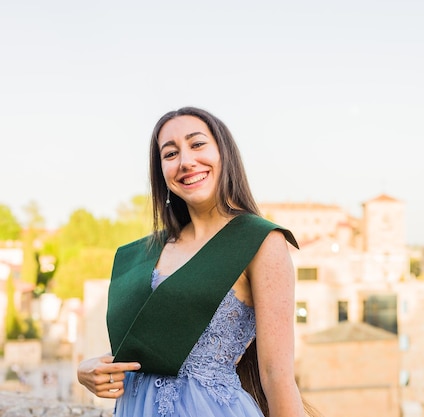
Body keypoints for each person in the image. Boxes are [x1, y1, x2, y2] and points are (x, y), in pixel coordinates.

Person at [77, 106, 316, 417]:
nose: (186, 161)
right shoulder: (148, 252)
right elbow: (156, 350)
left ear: (224, 153)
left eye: (197, 144)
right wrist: (87, 369)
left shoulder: (261, 242)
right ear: (161, 171)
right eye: (170, 153)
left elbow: (277, 376)